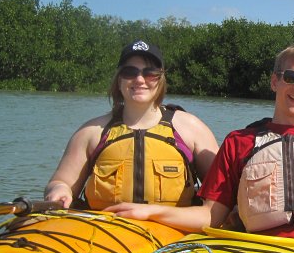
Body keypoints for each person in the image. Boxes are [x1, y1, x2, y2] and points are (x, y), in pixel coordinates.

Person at [106, 43, 294, 241]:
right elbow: (210, 216)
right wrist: (150, 212)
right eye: (291, 77)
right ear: (275, 81)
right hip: (256, 249)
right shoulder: (238, 142)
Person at [44, 40, 219, 212]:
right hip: (103, 233)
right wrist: (59, 190)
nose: (139, 79)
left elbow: (221, 195)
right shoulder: (91, 132)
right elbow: (61, 182)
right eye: (130, 72)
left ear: (161, 79)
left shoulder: (192, 128)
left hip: (173, 234)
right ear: (119, 80)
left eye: (150, 73)